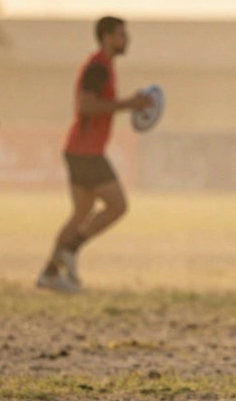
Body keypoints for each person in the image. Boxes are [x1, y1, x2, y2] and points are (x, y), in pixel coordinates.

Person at [36, 16, 153, 293]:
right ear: (107, 37)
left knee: (81, 212)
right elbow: (85, 105)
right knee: (117, 206)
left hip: (82, 149)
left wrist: (128, 104)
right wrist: (129, 104)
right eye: (121, 34)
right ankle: (69, 252)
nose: (127, 39)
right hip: (84, 151)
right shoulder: (98, 67)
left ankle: (49, 273)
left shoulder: (104, 66)